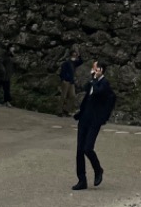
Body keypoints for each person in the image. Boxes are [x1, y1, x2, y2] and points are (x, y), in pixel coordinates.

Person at [72, 60, 116, 190]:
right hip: (84, 119)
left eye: (95, 68)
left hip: (94, 121)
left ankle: (98, 169)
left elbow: (98, 92)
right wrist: (92, 79)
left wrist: (95, 79)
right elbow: (86, 88)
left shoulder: (104, 83)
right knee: (79, 150)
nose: (93, 70)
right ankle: (82, 180)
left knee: (88, 148)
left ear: (101, 70)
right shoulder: (93, 81)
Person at [59, 48, 84, 116]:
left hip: (71, 82)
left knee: (72, 96)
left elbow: (81, 62)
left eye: (75, 56)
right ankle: (60, 111)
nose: (74, 57)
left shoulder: (74, 63)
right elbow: (62, 72)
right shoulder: (66, 63)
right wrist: (63, 80)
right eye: (74, 55)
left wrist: (79, 56)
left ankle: (66, 110)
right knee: (63, 96)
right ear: (70, 56)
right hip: (66, 81)